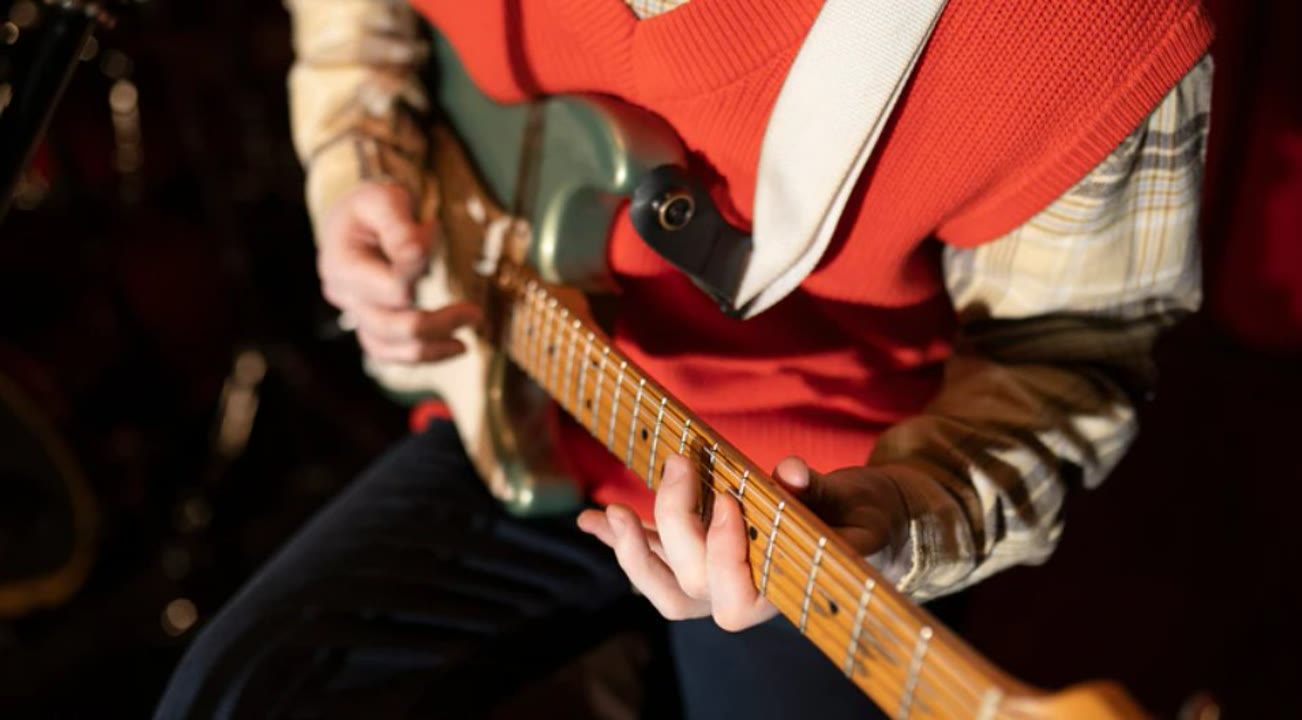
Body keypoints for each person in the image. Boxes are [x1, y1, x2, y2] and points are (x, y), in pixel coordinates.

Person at [156, 0, 1214, 717]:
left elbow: (1070, 359)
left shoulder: (1091, 32)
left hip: (814, 501)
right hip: (514, 403)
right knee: (238, 694)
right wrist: (358, 165)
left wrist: (905, 507)